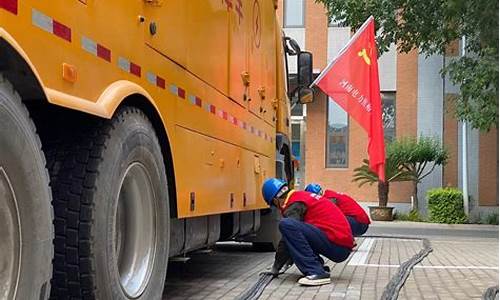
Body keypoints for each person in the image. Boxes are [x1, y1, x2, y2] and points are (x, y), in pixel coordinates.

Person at [262, 178, 353, 286]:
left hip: (338, 245)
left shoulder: (294, 204)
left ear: (276, 200)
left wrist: (276, 267)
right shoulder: (301, 197)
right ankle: (318, 267)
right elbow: (298, 238)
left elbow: (288, 238)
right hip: (340, 244)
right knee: (294, 228)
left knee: (286, 224)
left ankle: (316, 272)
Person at [305, 183, 370, 237]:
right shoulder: (331, 195)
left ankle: (347, 241)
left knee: (329, 219)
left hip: (359, 224)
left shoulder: (329, 198)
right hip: (360, 223)